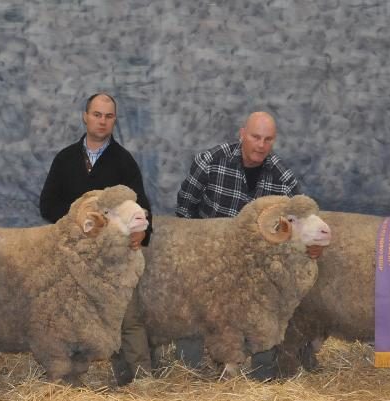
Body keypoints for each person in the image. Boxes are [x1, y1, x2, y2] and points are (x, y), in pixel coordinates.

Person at [173, 111, 306, 380]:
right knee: (196, 312)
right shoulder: (209, 162)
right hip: (209, 259)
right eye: (255, 137)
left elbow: (297, 227)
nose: (261, 145)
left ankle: (260, 370)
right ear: (242, 134)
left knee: (264, 312)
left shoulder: (284, 179)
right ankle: (190, 370)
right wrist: (193, 258)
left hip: (256, 265)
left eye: (268, 139)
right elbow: (184, 211)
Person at [39, 92, 154, 386]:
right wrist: (79, 220)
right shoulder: (65, 159)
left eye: (109, 116)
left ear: (114, 120)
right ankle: (68, 380)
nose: (102, 121)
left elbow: (143, 207)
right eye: (97, 115)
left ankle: (138, 379)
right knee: (67, 315)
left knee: (127, 316)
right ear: (85, 116)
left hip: (114, 257)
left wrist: (142, 231)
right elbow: (47, 205)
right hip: (74, 256)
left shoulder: (123, 161)